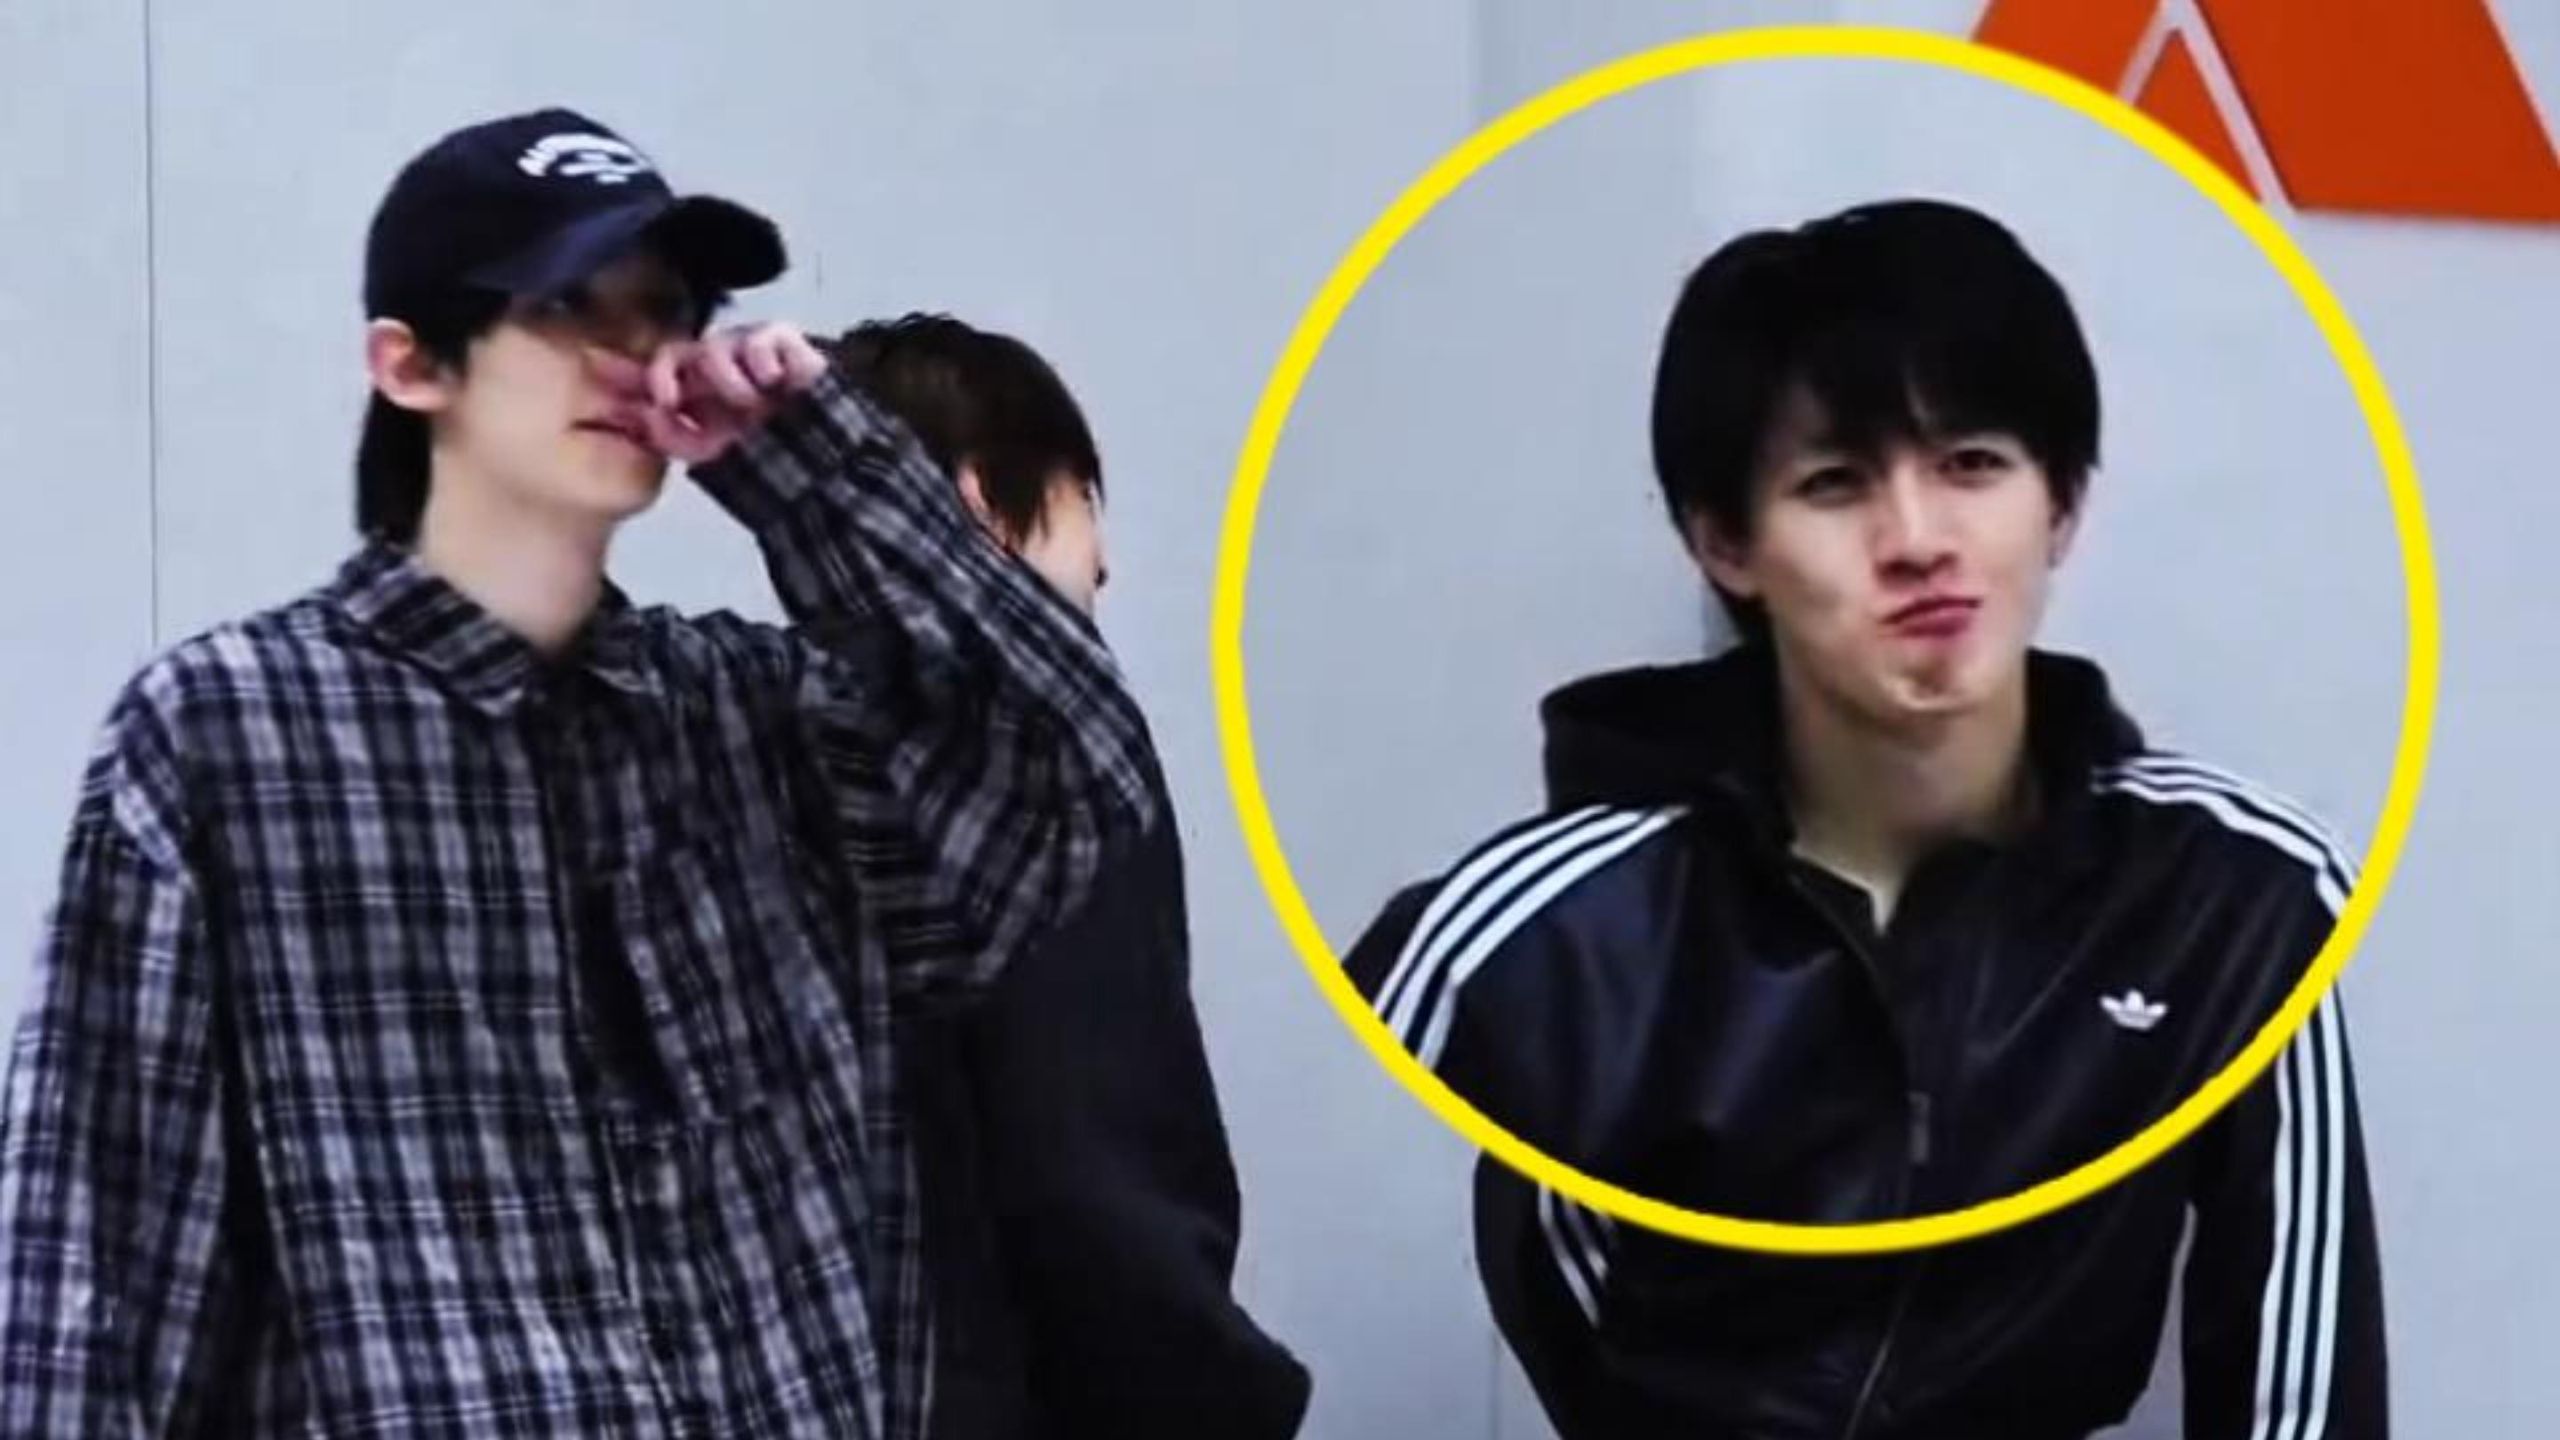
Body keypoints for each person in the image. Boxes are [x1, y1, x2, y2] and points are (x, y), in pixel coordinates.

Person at [0, 107, 1152, 1440]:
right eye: (564, 306)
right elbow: (100, 1266)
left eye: (663, 310)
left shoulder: (755, 714)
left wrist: (815, 467)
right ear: (411, 364)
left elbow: (1072, 783)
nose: (632, 352)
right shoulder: (231, 732)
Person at [1344, 199, 2385, 1439]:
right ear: (1726, 545)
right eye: (1834, 483)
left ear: (2059, 504)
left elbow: (2301, 1391)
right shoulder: (1535, 937)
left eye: (1971, 466)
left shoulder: (2236, 899)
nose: (1917, 541)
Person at [824, 313, 1309, 1439]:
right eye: (1084, 505)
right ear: (988, 504)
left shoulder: (763, 722)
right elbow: (1092, 1169)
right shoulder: (1044, 751)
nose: (1105, 561)